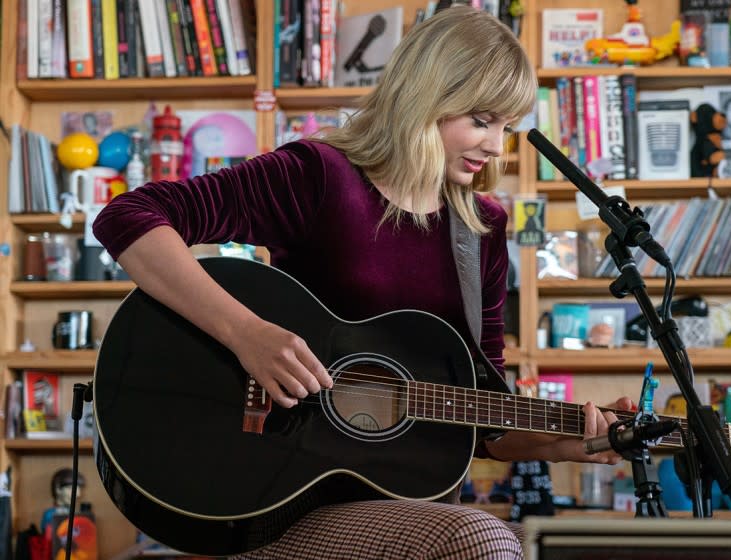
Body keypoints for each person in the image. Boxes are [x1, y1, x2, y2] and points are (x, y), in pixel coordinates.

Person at [93, 6, 633, 559]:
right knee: (479, 538)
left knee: (579, 547)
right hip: (280, 499)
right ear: (427, 96)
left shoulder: (483, 228)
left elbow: (483, 413)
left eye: (507, 128)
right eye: (482, 120)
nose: (497, 145)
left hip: (410, 507)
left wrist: (563, 442)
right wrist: (246, 334)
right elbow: (129, 217)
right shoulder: (318, 176)